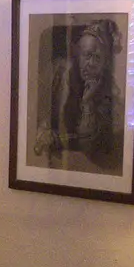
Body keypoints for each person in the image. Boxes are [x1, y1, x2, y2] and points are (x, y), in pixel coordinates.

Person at [32, 17, 124, 172]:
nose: (92, 63)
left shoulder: (109, 89)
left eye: (97, 58)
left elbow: (93, 143)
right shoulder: (60, 77)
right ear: (78, 55)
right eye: (87, 55)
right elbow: (42, 123)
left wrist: (88, 101)